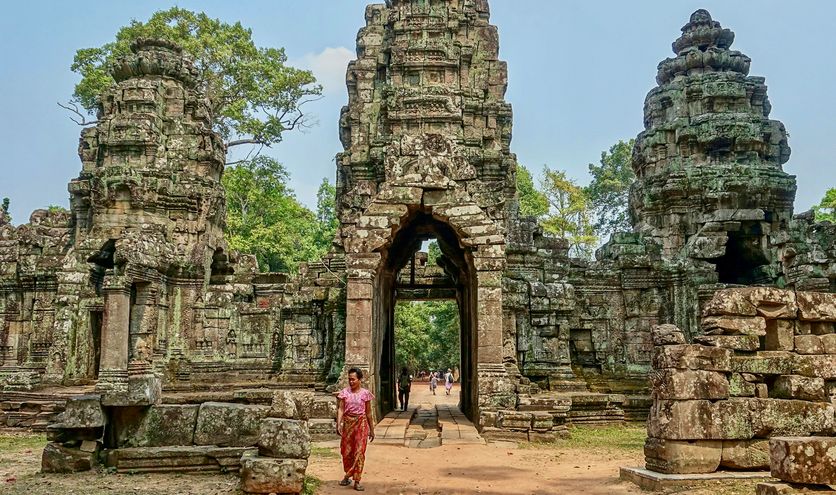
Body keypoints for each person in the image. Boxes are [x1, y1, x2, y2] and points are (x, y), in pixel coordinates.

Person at [337, 367, 375, 491]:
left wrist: (372, 429)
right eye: (349, 379)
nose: (351, 382)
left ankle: (357, 479)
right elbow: (341, 409)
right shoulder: (344, 393)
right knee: (346, 451)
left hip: (361, 423)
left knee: (359, 452)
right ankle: (348, 473)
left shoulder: (365, 394)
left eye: (353, 379)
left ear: (359, 380)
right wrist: (338, 423)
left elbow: (369, 413)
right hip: (348, 423)